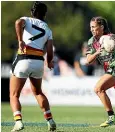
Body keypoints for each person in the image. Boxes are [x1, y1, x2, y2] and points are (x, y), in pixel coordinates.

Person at [10, 2, 56, 131]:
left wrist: (20, 40)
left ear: (32, 12)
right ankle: (50, 120)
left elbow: (18, 23)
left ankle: (18, 121)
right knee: (38, 92)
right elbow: (49, 49)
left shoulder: (27, 19)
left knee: (14, 94)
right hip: (38, 62)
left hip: (23, 59)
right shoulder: (48, 29)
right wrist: (50, 61)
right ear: (45, 14)